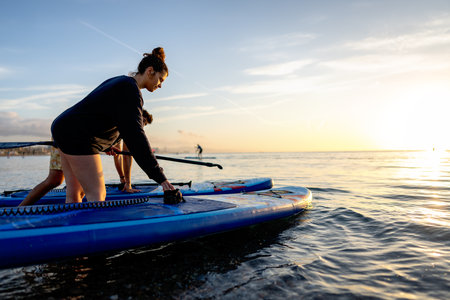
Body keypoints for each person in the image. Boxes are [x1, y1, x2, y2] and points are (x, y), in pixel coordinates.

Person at [51, 47, 177, 203]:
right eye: (161, 79)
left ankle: (71, 227)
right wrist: (160, 177)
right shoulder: (130, 90)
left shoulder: (121, 82)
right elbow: (136, 136)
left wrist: (106, 144)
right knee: (97, 195)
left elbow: (99, 115)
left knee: (76, 193)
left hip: (65, 129)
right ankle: (95, 227)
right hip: (77, 136)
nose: (160, 85)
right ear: (150, 71)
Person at [112, 109, 153, 193]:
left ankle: (123, 181)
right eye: (144, 121)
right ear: (139, 116)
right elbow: (126, 155)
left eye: (145, 125)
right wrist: (128, 183)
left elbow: (121, 154)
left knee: (118, 152)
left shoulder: (127, 122)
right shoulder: (130, 122)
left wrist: (124, 181)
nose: (142, 126)